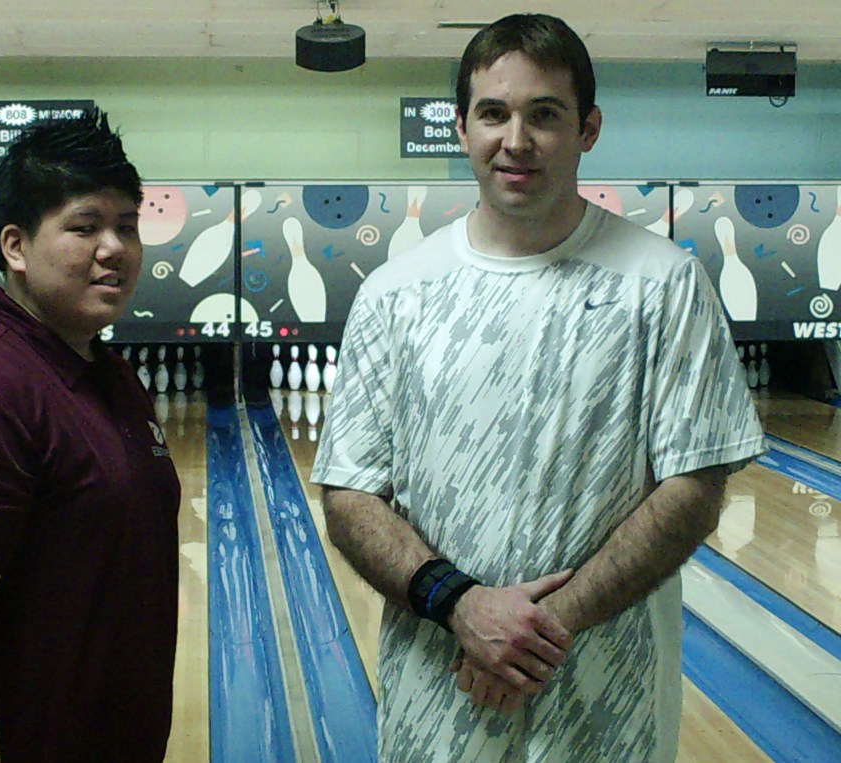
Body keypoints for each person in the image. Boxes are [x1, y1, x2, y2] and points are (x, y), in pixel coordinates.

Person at [311, 13, 766, 762]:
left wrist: (536, 632)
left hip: (607, 710)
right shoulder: (397, 293)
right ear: (461, 127)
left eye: (543, 115)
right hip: (439, 700)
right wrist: (461, 607)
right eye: (493, 113)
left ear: (588, 128)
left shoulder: (662, 284)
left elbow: (694, 484)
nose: (514, 140)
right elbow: (351, 493)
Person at [0, 109, 180, 762]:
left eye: (127, 225)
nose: (115, 247)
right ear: (15, 247)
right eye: (85, 226)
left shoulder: (107, 372)